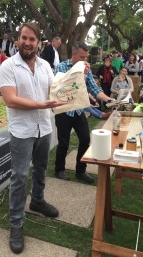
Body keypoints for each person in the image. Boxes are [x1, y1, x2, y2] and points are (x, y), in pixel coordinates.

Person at [0, 22, 66, 254]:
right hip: (22, 131)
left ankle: (37, 200)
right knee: (19, 176)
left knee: (41, 167)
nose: (27, 42)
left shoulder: (46, 66)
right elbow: (11, 100)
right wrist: (42, 104)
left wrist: (78, 73)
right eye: (24, 38)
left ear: (38, 42)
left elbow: (55, 91)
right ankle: (16, 224)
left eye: (32, 39)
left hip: (44, 127)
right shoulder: (8, 66)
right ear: (18, 39)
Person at [54, 41, 115, 182]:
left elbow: (94, 89)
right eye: (82, 57)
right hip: (64, 111)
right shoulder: (61, 67)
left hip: (78, 110)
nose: (85, 60)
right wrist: (80, 74)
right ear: (74, 54)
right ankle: (59, 169)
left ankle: (80, 171)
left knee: (85, 139)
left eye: (86, 57)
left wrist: (109, 100)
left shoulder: (85, 69)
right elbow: (63, 88)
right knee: (64, 142)